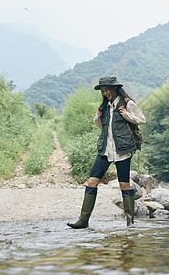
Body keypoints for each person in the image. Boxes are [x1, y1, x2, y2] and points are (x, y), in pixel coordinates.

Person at [67, 76, 146, 229]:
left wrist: (125, 115)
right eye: (103, 91)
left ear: (114, 88)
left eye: (106, 90)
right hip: (105, 150)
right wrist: (97, 117)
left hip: (122, 150)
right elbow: (102, 127)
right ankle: (83, 220)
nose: (104, 93)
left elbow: (142, 119)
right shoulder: (105, 107)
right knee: (91, 182)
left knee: (124, 185)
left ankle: (130, 222)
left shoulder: (127, 104)